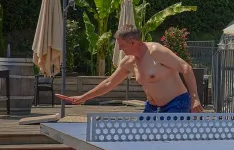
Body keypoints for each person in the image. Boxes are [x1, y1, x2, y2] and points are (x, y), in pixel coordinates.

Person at [57, 25, 204, 113]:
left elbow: (186, 68)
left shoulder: (156, 52)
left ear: (133, 42)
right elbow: (109, 83)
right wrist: (83, 98)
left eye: (122, 45)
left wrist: (195, 98)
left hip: (176, 103)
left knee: (166, 142)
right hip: (152, 107)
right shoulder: (128, 62)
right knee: (139, 141)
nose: (120, 49)